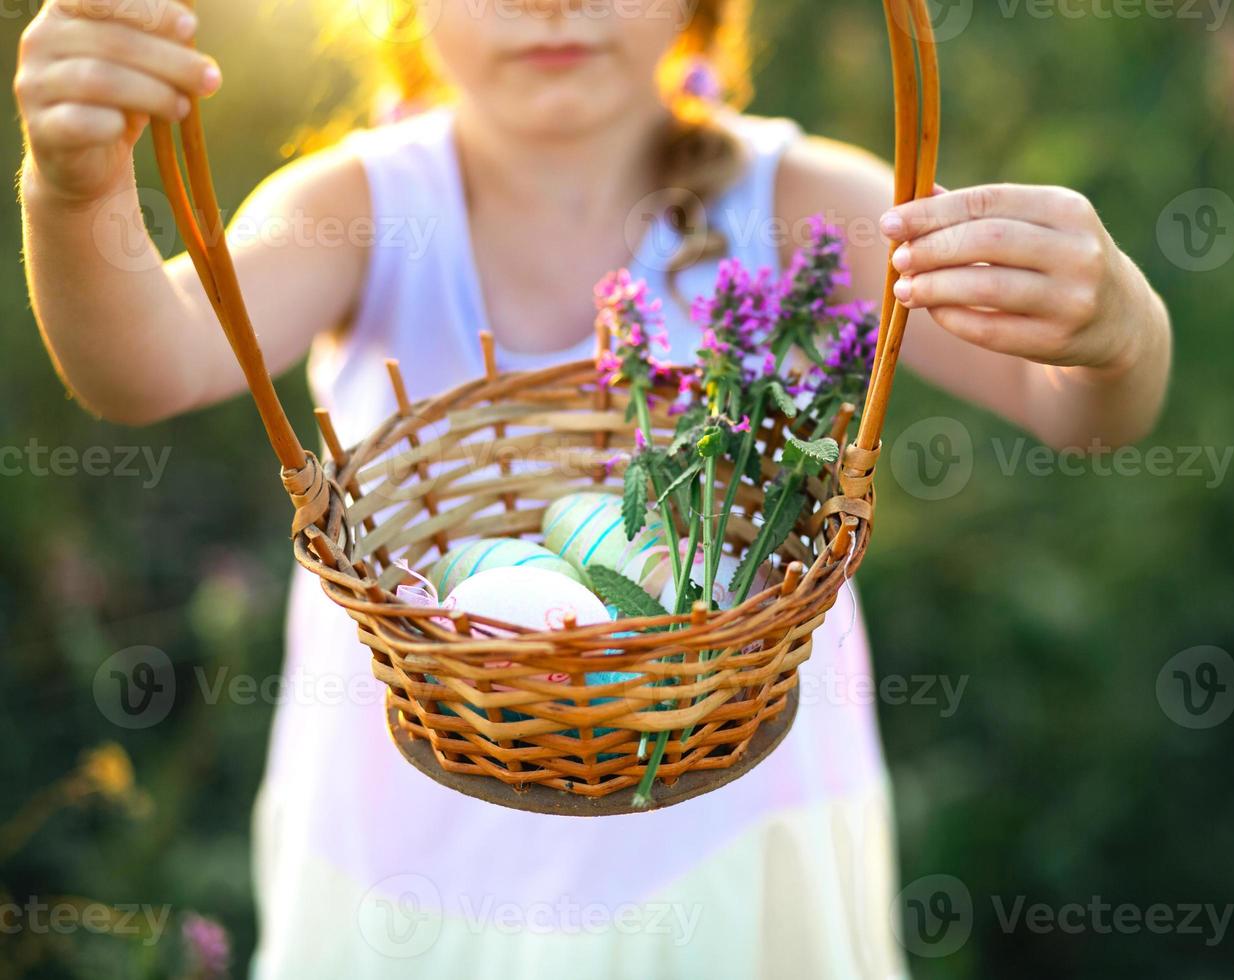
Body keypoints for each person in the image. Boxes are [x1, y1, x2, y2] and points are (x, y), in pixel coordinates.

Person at [15, 0, 1172, 975]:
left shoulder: (797, 198)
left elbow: (1069, 408)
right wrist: (75, 191)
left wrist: (1119, 329)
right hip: (419, 866)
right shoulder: (360, 206)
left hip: (727, 850)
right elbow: (142, 363)